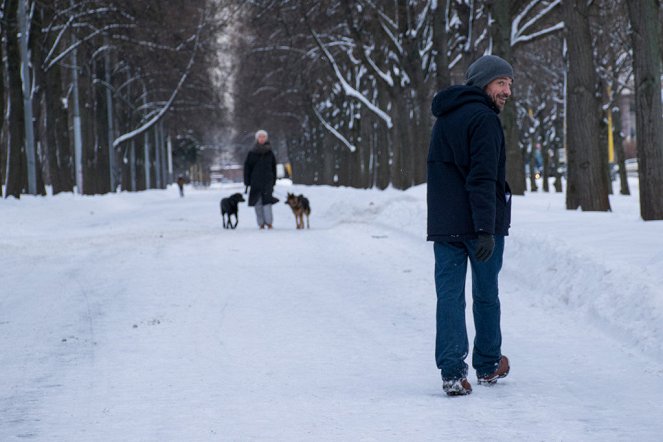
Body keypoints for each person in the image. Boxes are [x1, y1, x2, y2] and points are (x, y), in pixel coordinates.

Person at [427, 54, 513, 396]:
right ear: (483, 84)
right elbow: (481, 178)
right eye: (500, 83)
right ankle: (489, 364)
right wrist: (484, 229)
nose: (507, 91)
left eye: (509, 84)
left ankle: (452, 372)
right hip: (480, 226)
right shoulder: (484, 120)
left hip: (445, 225)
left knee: (448, 297)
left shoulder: (445, 118)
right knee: (485, 295)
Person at [244, 129, 278, 229]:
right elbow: (247, 167)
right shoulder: (251, 152)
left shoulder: (270, 152)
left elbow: (273, 167)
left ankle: (269, 222)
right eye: (260, 137)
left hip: (267, 181)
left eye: (264, 137)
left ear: (266, 138)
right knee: (257, 203)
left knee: (267, 202)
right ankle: (261, 223)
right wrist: (247, 181)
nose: (262, 139)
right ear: (257, 139)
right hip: (255, 182)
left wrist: (273, 180)